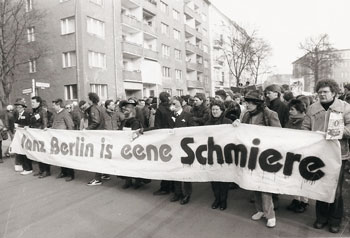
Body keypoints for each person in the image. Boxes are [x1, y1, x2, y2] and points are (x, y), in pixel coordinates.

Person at [302, 79, 350, 234]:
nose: (322, 94)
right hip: (318, 155)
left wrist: (338, 132)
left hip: (338, 155)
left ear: (334, 93)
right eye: (320, 92)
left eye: (325, 92)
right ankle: (321, 218)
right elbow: (305, 127)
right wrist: (310, 136)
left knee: (336, 189)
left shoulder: (345, 107)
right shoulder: (312, 108)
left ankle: (335, 220)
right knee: (320, 185)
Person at [233, 90, 281, 228]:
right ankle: (260, 210)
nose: (246, 105)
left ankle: (270, 214)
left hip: (266, 156)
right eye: (246, 102)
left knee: (265, 186)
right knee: (254, 183)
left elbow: (279, 135)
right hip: (250, 155)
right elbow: (241, 132)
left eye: (249, 102)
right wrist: (237, 123)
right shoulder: (246, 115)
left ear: (257, 103)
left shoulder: (270, 114)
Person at [205, 100, 232, 211]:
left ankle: (223, 200)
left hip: (224, 155)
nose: (214, 111)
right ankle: (216, 199)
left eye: (217, 109)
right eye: (213, 109)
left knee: (223, 179)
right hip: (212, 155)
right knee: (214, 179)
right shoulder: (207, 123)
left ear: (222, 110)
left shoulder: (228, 122)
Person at [119, 98, 150, 189]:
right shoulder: (124, 121)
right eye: (125, 109)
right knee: (126, 164)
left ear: (132, 111)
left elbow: (135, 134)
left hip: (133, 146)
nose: (125, 111)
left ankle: (138, 181)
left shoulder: (135, 122)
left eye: (127, 109)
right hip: (125, 146)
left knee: (135, 164)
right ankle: (128, 181)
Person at [285, 99, 309, 213]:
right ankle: (296, 199)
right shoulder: (290, 121)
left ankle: (304, 201)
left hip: (303, 154)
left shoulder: (306, 121)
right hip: (291, 153)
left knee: (302, 178)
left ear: (300, 110)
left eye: (292, 109)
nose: (290, 111)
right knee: (294, 177)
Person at [169, 96, 194, 205]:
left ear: (180, 103)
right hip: (173, 147)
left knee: (185, 171)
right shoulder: (169, 116)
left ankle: (187, 194)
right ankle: (177, 192)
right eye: (171, 103)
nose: (173, 105)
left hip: (185, 148)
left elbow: (193, 131)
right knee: (175, 169)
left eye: (175, 103)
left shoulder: (188, 116)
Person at [153, 92, 175, 195]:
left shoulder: (160, 109)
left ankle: (165, 187)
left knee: (164, 163)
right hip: (173, 137)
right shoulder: (172, 107)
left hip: (163, 139)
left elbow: (157, 126)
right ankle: (173, 186)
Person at [51, 99, 75, 181]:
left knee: (67, 157)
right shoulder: (56, 114)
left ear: (58, 105)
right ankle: (63, 172)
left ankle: (70, 174)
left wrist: (69, 137)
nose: (52, 107)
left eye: (54, 105)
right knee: (60, 156)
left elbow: (70, 125)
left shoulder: (65, 113)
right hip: (58, 139)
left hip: (65, 139)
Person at [86, 92, 106, 186]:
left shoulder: (93, 108)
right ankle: (105, 174)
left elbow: (95, 121)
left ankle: (97, 178)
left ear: (90, 99)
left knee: (97, 156)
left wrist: (86, 129)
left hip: (96, 134)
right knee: (101, 155)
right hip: (102, 133)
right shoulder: (101, 108)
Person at [29, 96, 49, 178]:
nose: (32, 104)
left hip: (40, 135)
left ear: (38, 103)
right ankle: (41, 170)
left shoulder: (42, 111)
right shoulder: (34, 111)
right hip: (35, 135)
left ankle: (46, 171)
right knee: (38, 153)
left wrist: (43, 130)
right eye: (32, 102)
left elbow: (45, 122)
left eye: (33, 102)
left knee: (43, 153)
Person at [14, 98, 32, 174]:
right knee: (21, 151)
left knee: (25, 152)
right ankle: (24, 167)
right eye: (17, 107)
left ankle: (28, 168)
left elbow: (29, 125)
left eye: (19, 107)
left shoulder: (27, 114)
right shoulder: (18, 114)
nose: (18, 109)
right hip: (20, 136)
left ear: (23, 107)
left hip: (25, 136)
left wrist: (20, 125)